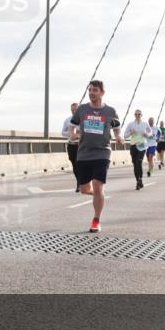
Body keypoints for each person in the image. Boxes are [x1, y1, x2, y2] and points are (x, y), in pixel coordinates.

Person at [70, 80, 124, 232]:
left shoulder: (110, 111)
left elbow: (117, 129)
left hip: (102, 152)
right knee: (84, 189)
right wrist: (73, 134)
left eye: (95, 90)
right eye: (90, 90)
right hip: (84, 153)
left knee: (98, 186)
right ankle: (98, 195)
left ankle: (96, 220)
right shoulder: (82, 109)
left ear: (102, 92)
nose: (91, 93)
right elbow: (72, 126)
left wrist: (119, 137)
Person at [123, 110, 153, 190]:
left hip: (142, 145)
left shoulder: (145, 124)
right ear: (134, 115)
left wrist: (146, 134)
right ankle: (138, 181)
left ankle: (140, 179)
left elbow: (151, 134)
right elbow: (125, 136)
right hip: (133, 145)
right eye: (136, 114)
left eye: (139, 114)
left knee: (138, 162)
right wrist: (131, 132)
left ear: (141, 115)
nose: (137, 115)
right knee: (135, 164)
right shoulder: (130, 124)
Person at [61, 102, 80, 192]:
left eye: (75, 110)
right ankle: (79, 181)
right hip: (71, 145)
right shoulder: (68, 120)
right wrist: (71, 133)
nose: (74, 112)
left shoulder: (84, 120)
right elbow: (62, 133)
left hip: (81, 145)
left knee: (80, 164)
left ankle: (81, 183)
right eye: (72, 110)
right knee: (75, 165)